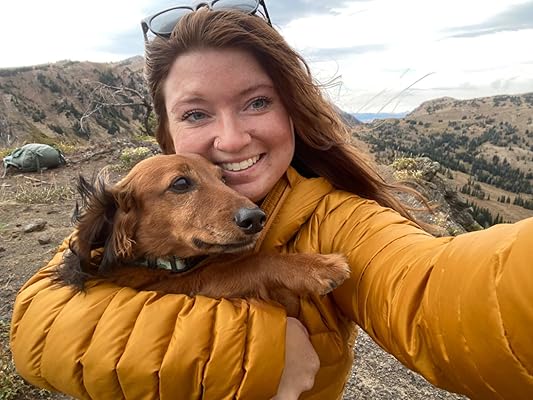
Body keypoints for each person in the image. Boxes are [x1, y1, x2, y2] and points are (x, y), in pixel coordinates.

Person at [10, 2, 533, 399]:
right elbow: (36, 323)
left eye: (257, 101)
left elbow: (434, 292)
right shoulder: (121, 218)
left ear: (291, 111)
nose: (233, 139)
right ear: (166, 132)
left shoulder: (339, 219)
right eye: (196, 113)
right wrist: (253, 349)